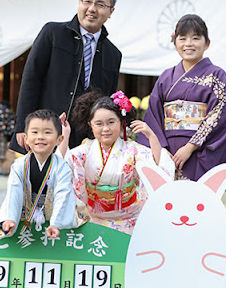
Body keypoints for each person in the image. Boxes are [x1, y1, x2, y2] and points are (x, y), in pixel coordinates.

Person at [10, 0, 122, 154]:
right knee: (37, 181)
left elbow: (107, 102)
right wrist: (22, 125)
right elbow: (31, 79)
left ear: (111, 11)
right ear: (79, 3)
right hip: (44, 133)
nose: (92, 9)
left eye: (100, 4)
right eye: (87, 1)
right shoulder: (52, 34)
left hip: (85, 144)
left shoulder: (113, 54)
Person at [58, 91, 175, 235]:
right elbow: (64, 165)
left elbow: (157, 166)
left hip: (128, 218)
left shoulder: (132, 149)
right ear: (90, 125)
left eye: (111, 122)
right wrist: (65, 136)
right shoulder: (86, 150)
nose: (106, 129)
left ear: (121, 122)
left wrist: (151, 136)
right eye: (99, 124)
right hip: (93, 217)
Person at [138, 14, 226, 181]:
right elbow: (154, 114)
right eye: (182, 38)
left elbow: (220, 113)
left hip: (199, 150)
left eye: (195, 38)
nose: (188, 44)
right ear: (175, 43)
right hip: (167, 150)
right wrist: (161, 149)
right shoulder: (166, 76)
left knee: (196, 201)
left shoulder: (216, 75)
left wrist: (190, 147)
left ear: (207, 44)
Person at [0, 109, 89, 239]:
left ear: (59, 139)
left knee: (75, 216)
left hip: (53, 210)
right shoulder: (19, 165)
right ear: (26, 139)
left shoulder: (62, 168)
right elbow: (14, 192)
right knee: (1, 223)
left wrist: (56, 224)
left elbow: (63, 194)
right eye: (35, 132)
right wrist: (11, 218)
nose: (40, 137)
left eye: (47, 132)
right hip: (25, 208)